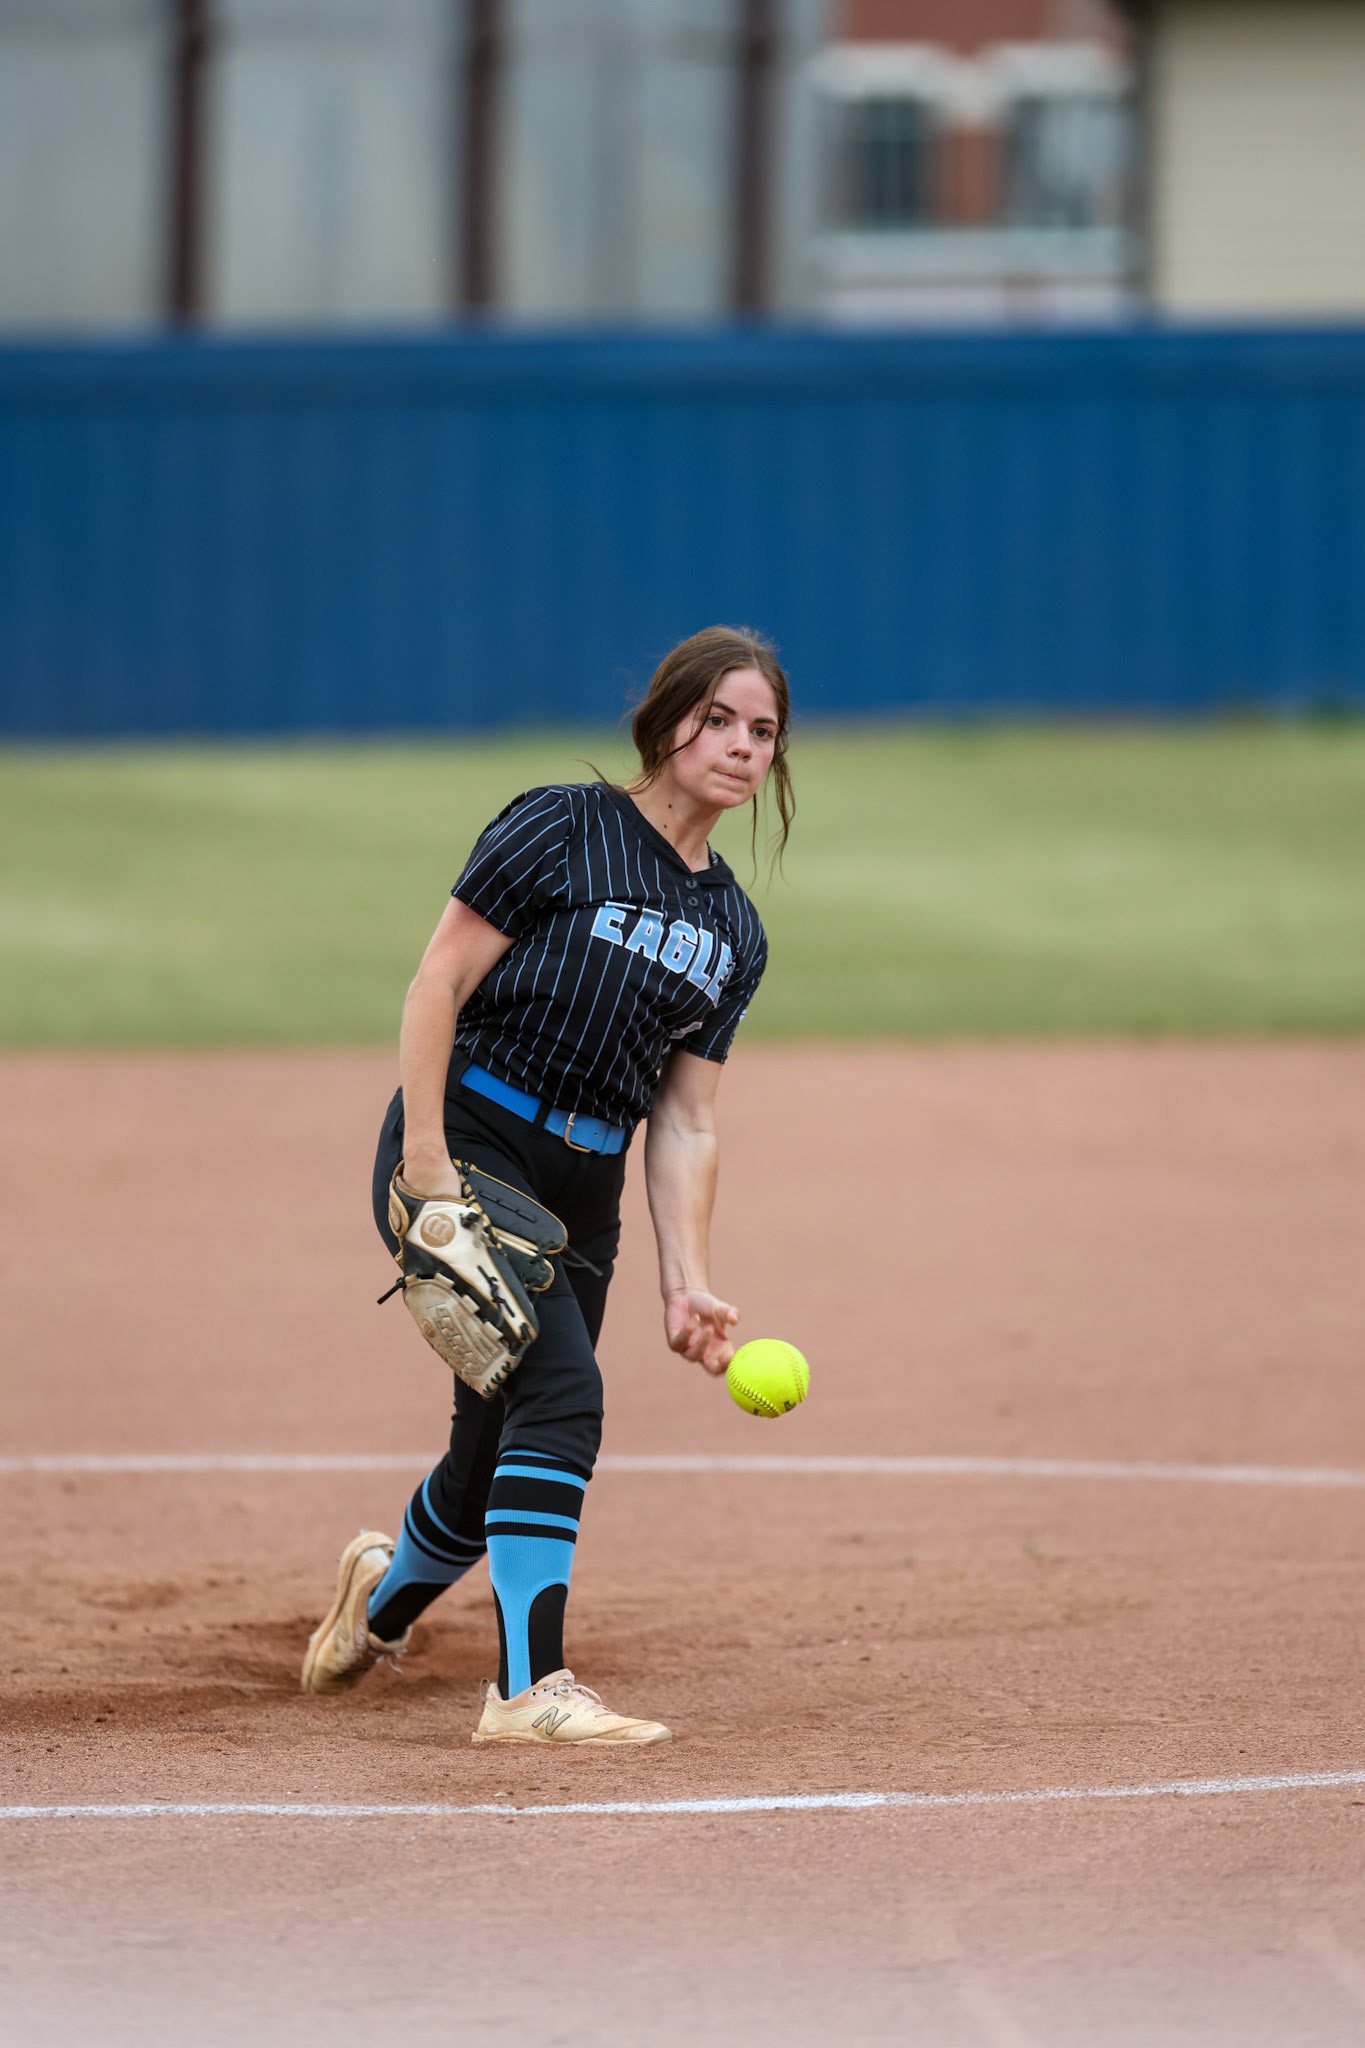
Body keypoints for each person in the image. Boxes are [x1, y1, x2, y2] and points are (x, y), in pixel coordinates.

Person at [301, 625, 793, 1745]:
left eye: (763, 731)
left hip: (586, 1190)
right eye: (718, 718)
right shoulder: (563, 824)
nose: (741, 745)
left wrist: (688, 1281)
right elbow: (439, 981)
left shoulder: (735, 931)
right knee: (563, 1396)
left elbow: (684, 1116)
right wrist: (425, 1164)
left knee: (489, 1458)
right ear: (667, 721)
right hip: (471, 1139)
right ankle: (530, 1688)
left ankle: (371, 1613)